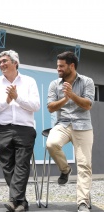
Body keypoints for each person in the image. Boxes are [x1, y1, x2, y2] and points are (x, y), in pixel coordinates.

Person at [0, 50, 40, 212]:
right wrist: (7, 101)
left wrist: (17, 97)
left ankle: (16, 200)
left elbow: (35, 105)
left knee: (21, 164)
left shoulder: (29, 81)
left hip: (25, 129)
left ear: (15, 63)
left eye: (4, 61)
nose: (1, 64)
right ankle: (20, 202)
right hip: (1, 129)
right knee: (7, 165)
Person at [46, 51, 94, 212]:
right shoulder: (54, 84)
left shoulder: (87, 81)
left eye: (61, 66)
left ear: (71, 66)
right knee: (51, 144)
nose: (58, 68)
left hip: (83, 126)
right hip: (63, 124)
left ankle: (82, 202)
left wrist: (72, 95)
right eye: (57, 66)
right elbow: (50, 107)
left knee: (84, 164)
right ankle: (65, 170)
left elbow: (87, 105)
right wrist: (65, 99)